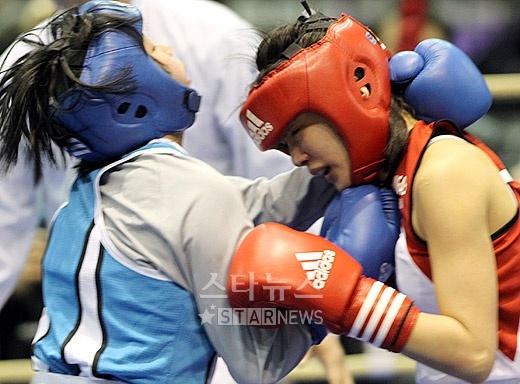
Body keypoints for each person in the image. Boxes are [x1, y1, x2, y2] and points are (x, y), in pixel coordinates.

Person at [0, 1, 341, 383]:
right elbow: (259, 366)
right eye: (151, 50)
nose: (168, 50)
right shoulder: (191, 193)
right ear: (134, 103)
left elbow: (252, 205)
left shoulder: (88, 191)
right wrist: (327, 304)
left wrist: (341, 151)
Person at [226, 5, 520, 384]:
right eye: (284, 145)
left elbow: (475, 353)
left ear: (357, 89)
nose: (296, 158)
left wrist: (350, 302)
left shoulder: (442, 172)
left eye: (297, 134)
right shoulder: (399, 173)